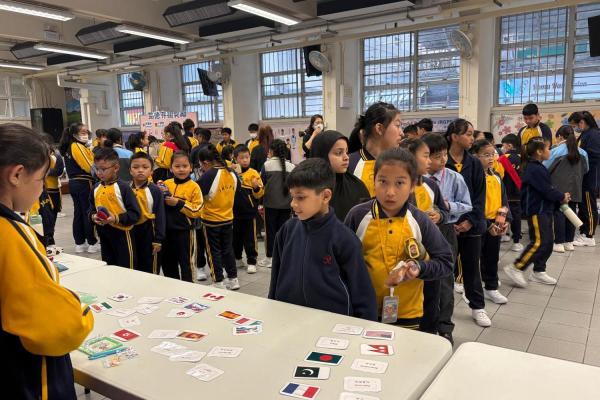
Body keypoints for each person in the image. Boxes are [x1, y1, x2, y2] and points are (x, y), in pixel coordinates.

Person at [0, 123, 94, 399]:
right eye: (41, 179)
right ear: (17, 174)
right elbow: (59, 329)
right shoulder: (10, 234)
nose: (42, 189)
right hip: (27, 378)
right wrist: (81, 313)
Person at [345, 148, 453, 328]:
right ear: (374, 181)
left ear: (412, 185)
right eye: (383, 181)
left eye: (400, 183)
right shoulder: (357, 215)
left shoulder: (420, 220)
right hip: (363, 311)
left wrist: (419, 268)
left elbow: (446, 262)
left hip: (408, 313)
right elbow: (342, 260)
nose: (390, 192)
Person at [269, 158, 378, 320]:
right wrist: (272, 309)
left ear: (325, 196)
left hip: (332, 324)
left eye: (300, 197)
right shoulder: (287, 231)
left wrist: (365, 327)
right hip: (288, 320)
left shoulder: (345, 239)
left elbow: (363, 293)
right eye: (292, 197)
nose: (293, 204)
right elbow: (275, 279)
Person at [422, 132, 472, 344]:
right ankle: (423, 324)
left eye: (444, 154)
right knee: (422, 278)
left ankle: (444, 327)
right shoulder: (416, 178)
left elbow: (467, 205)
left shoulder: (454, 178)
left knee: (444, 280)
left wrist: (446, 208)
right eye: (436, 156)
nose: (442, 160)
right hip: (421, 232)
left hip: (445, 231)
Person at [399, 137, 449, 334]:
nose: (429, 161)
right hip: (402, 256)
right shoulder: (398, 187)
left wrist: (439, 216)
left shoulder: (430, 185)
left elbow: (444, 212)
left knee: (431, 302)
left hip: (429, 256)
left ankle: (432, 333)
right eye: (426, 156)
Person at [504, 138, 570, 287]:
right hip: (537, 211)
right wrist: (561, 196)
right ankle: (516, 267)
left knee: (547, 243)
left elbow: (547, 188)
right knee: (539, 242)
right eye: (548, 148)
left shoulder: (539, 167)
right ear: (539, 151)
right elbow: (547, 190)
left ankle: (539, 271)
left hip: (545, 210)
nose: (550, 151)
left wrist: (559, 196)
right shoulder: (534, 169)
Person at [445, 118, 490, 327]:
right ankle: (443, 312)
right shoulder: (441, 161)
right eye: (468, 134)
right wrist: (449, 220)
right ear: (454, 136)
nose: (472, 138)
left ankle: (478, 307)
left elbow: (480, 196)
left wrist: (470, 221)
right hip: (446, 225)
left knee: (472, 268)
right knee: (445, 269)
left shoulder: (474, 163)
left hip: (471, 225)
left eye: (472, 134)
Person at [471, 139, 511, 304]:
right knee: (475, 258)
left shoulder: (496, 176)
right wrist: (487, 225)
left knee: (492, 257)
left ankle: (491, 287)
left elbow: (503, 199)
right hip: (479, 223)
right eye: (486, 155)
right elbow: (473, 204)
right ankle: (471, 288)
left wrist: (505, 220)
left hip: (496, 222)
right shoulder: (472, 178)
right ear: (475, 156)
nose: (491, 158)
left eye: (492, 154)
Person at [197, 145, 240, 290]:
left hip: (211, 220)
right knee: (228, 249)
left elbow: (198, 195)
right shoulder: (231, 173)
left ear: (206, 162)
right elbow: (236, 192)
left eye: (201, 165)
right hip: (228, 218)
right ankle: (233, 279)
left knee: (213, 251)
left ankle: (218, 281)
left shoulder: (208, 175)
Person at [90, 148, 141, 268]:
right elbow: (91, 209)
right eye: (97, 169)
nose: (99, 173)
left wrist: (115, 218)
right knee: (109, 267)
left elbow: (135, 214)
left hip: (123, 235)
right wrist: (93, 216)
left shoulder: (124, 188)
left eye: (103, 169)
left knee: (127, 269)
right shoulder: (95, 188)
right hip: (104, 235)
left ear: (116, 168)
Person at [544, 125, 588, 252]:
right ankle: (569, 242)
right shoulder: (583, 153)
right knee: (571, 212)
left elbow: (545, 168)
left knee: (559, 213)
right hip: (576, 187)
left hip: (559, 188)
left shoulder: (555, 151)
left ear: (560, 136)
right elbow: (586, 169)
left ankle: (559, 243)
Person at [161, 151, 203, 282]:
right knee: (168, 264)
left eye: (185, 166)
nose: (181, 169)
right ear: (171, 168)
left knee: (187, 265)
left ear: (191, 167)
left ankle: (189, 289)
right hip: (166, 232)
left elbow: (197, 210)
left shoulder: (194, 186)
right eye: (177, 166)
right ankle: (173, 289)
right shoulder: (166, 184)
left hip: (185, 232)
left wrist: (178, 203)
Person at [310, 130, 370, 221]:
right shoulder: (308, 188)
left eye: (346, 152)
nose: (346, 157)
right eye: (338, 153)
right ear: (322, 155)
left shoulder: (357, 186)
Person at [59, 123, 99, 253]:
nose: (86, 134)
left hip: (75, 183)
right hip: (84, 182)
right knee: (88, 212)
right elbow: (89, 166)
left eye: (86, 132)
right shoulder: (76, 145)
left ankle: (80, 243)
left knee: (79, 212)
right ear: (74, 134)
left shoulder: (70, 147)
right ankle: (92, 242)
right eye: (83, 132)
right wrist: (100, 173)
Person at [349, 102, 403, 197]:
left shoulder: (402, 164)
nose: (402, 133)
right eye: (397, 126)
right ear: (379, 129)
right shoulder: (349, 164)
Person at [260, 139, 295, 269]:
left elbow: (261, 184)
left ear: (271, 151)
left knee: (270, 232)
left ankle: (270, 258)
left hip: (270, 205)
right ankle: (284, 256)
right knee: (284, 232)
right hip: (287, 206)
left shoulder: (267, 165)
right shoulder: (291, 166)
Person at [130, 152, 166, 274]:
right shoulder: (126, 189)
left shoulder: (155, 190)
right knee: (134, 265)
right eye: (136, 167)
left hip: (150, 232)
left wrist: (158, 239)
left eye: (145, 167)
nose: (140, 170)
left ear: (151, 171)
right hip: (131, 231)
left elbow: (160, 216)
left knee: (150, 266)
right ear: (130, 170)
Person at [569, 111, 600, 247]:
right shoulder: (585, 134)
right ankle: (583, 232)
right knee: (583, 207)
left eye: (575, 125)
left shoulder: (594, 134)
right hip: (583, 176)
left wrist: (580, 163)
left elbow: (593, 156)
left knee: (589, 207)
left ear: (582, 122)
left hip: (590, 177)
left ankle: (589, 236)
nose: (575, 128)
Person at [232, 145, 264, 274]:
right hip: (234, 213)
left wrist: (256, 187)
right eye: (241, 158)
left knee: (250, 239)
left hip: (250, 213)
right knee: (236, 238)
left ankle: (251, 261)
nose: (245, 160)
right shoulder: (231, 173)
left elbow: (260, 194)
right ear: (235, 159)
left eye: (247, 157)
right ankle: (238, 259)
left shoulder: (253, 173)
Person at [498, 134, 523, 252]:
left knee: (502, 214)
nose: (502, 148)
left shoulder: (502, 158)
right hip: (518, 193)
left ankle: (503, 235)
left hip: (504, 193)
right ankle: (516, 242)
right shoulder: (523, 158)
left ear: (509, 145)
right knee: (516, 217)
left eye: (503, 145)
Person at [41, 133, 64, 249]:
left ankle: (50, 239)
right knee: (44, 217)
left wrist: (46, 171)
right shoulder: (38, 156)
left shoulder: (55, 156)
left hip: (53, 190)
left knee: (51, 217)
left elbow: (58, 171)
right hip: (42, 191)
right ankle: (47, 240)